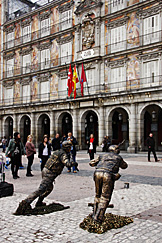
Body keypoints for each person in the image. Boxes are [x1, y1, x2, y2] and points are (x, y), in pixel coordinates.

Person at [15, 141, 76, 214]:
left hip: (45, 170)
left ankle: (39, 201)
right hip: (50, 173)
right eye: (69, 147)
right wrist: (73, 163)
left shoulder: (57, 151)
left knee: (49, 188)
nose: (70, 149)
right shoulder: (63, 154)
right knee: (41, 189)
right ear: (67, 147)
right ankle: (25, 203)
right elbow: (67, 163)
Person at [89, 144, 128, 223]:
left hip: (97, 173)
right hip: (108, 175)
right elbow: (125, 166)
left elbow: (91, 163)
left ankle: (94, 214)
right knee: (105, 197)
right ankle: (98, 218)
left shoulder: (102, 155)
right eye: (117, 149)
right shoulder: (118, 157)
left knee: (98, 194)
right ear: (115, 150)